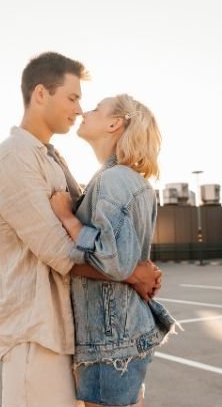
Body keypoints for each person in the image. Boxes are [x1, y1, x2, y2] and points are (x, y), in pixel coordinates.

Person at [0, 52, 162, 407]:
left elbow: (96, 237)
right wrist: (131, 274)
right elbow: (57, 249)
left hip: (69, 333)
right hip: (36, 333)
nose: (79, 109)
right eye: (72, 97)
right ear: (40, 94)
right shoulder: (14, 157)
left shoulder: (52, 158)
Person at [50, 94, 179, 407]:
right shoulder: (123, 179)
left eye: (94, 108)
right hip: (117, 337)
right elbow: (127, 257)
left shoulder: (114, 180)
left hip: (111, 341)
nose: (84, 111)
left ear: (114, 123)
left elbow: (113, 260)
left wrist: (68, 218)